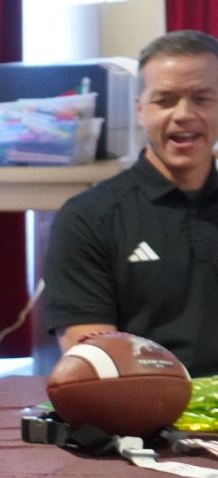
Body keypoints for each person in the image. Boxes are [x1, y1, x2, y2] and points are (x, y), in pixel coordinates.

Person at [43, 29, 218, 377]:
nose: (183, 114)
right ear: (140, 109)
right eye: (165, 100)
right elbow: (94, 365)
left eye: (202, 98)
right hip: (142, 417)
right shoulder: (88, 218)